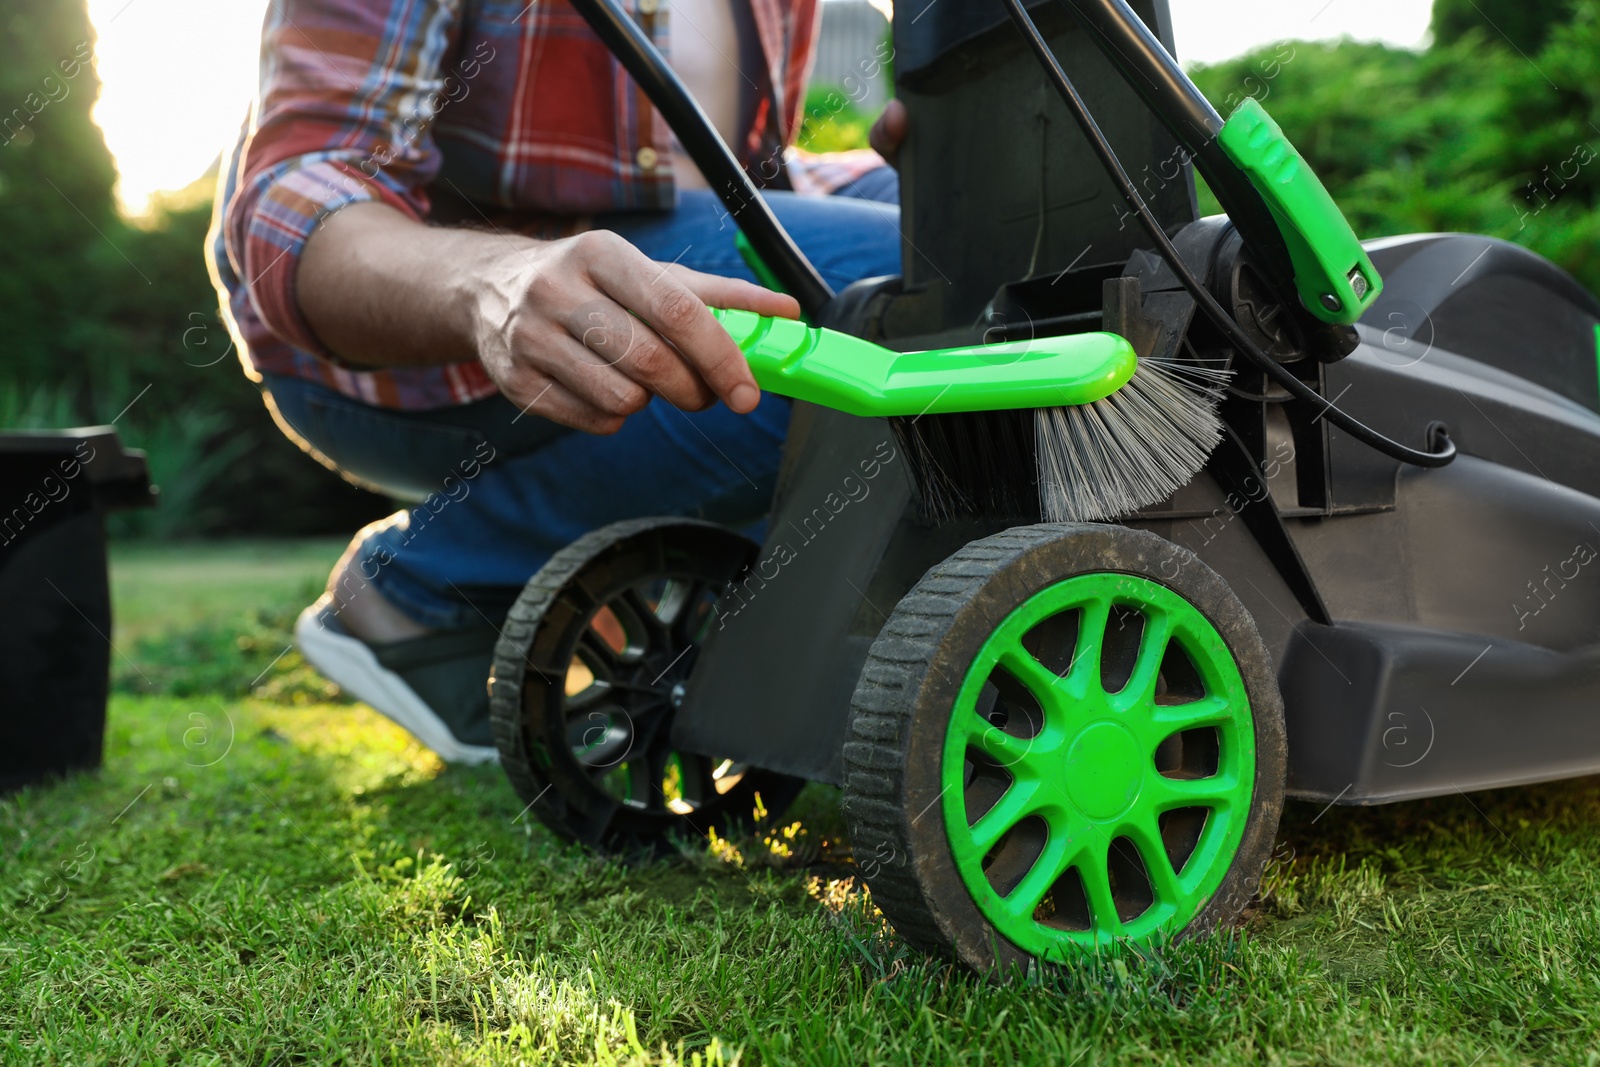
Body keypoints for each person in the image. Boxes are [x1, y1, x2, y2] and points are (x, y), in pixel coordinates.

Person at [207, 0, 907, 763]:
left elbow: (731, 173)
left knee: (987, 239)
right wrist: (495, 279)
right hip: (394, 350)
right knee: (886, 301)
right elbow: (295, 193)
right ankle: (435, 584)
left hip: (672, 241)